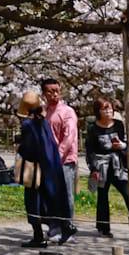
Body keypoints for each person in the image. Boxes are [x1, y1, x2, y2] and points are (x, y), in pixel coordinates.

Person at [85, 97, 129, 238]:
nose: (108, 111)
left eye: (110, 108)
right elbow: (89, 150)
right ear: (98, 111)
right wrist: (93, 169)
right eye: (104, 109)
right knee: (102, 197)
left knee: (128, 194)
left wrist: (121, 146)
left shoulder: (118, 125)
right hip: (101, 165)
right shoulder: (93, 128)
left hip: (117, 165)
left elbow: (126, 143)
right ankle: (103, 228)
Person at [16, 90, 73, 246]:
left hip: (35, 169)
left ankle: (38, 236)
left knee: (33, 202)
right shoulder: (43, 122)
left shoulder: (28, 125)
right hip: (51, 166)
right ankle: (64, 225)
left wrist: (20, 148)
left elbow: (29, 149)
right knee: (51, 200)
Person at [40, 78, 78, 225]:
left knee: (66, 194)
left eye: (57, 90)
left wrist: (58, 155)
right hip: (48, 160)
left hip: (65, 160)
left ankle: (68, 226)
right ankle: (54, 225)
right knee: (50, 194)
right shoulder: (44, 112)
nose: (54, 94)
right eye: (50, 91)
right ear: (44, 93)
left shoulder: (67, 112)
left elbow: (70, 136)